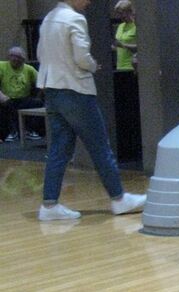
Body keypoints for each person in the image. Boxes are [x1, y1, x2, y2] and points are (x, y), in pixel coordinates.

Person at [35, 0, 147, 221]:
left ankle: (49, 204)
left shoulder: (48, 19)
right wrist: (94, 65)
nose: (89, 1)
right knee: (99, 146)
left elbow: (40, 54)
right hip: (76, 90)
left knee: (59, 149)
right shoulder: (75, 19)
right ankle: (118, 198)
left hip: (52, 90)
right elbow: (82, 58)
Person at [1, 46, 44, 144]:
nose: (14, 59)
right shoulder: (2, 66)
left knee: (37, 103)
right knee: (6, 105)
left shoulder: (29, 69)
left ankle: (32, 130)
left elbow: (41, 82)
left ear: (23, 59)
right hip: (6, 98)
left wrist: (40, 94)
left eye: (17, 56)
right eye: (12, 56)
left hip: (24, 98)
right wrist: (1, 96)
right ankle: (10, 132)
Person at [112, 0, 137, 71]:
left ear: (129, 11)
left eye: (120, 13)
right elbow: (118, 47)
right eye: (117, 13)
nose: (119, 16)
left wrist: (123, 45)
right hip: (119, 67)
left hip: (132, 67)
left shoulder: (137, 26)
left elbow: (141, 49)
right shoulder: (120, 26)